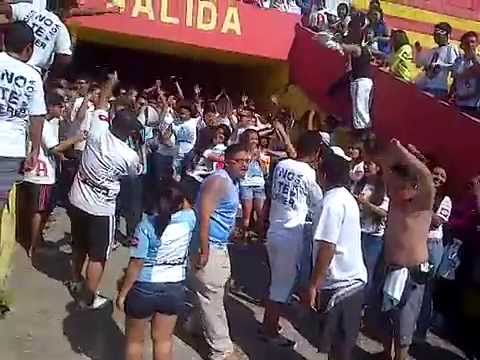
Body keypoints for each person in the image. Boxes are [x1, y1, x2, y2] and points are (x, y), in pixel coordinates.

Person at [67, 72, 142, 310]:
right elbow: (135, 173)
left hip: (77, 197)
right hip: (101, 208)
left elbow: (101, 103)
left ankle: (74, 279)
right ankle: (87, 298)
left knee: (79, 244)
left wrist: (110, 81)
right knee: (98, 255)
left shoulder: (98, 128)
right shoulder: (128, 155)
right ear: (129, 133)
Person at [116, 180, 196, 360]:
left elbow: (137, 264)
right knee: (163, 341)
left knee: (135, 342)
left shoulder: (146, 226)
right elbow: (188, 206)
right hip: (174, 288)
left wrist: (123, 294)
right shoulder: (190, 219)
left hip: (145, 287)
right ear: (181, 201)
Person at [304, 146, 367, 360]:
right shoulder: (346, 198)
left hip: (342, 283)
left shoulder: (330, 203)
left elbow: (327, 247)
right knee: (339, 347)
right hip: (351, 280)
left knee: (339, 347)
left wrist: (313, 285)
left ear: (322, 175)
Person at [261, 132, 324, 347]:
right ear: (317, 153)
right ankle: (269, 330)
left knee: (276, 281)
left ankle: (270, 323)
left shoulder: (282, 165)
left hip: (274, 229)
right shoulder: (308, 173)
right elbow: (318, 202)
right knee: (280, 286)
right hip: (290, 235)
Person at [189, 143, 249, 360]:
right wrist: (204, 250)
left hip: (220, 245)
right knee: (212, 296)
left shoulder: (232, 182)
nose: (245, 165)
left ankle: (195, 326)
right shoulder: (218, 181)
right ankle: (221, 350)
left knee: (209, 292)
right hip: (210, 246)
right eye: (240, 161)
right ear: (228, 161)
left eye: (247, 161)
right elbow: (203, 215)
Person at [377, 139, 435, 360]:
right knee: (384, 317)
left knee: (403, 326)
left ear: (413, 186)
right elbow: (384, 166)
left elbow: (426, 176)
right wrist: (394, 156)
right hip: (390, 266)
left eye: (399, 185)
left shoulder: (422, 202)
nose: (392, 188)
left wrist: (403, 151)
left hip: (412, 273)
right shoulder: (395, 198)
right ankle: (385, 354)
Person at [22, 93, 86, 258]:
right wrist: (76, 139)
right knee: (40, 211)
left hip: (37, 172)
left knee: (39, 210)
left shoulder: (43, 122)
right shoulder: (43, 124)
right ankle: (34, 246)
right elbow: (54, 148)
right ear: (50, 107)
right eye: (59, 106)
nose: (62, 109)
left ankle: (35, 241)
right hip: (41, 175)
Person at [0, 22, 46, 210]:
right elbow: (37, 116)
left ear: (4, 42)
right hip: (11, 151)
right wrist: (34, 150)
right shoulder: (32, 76)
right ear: (29, 49)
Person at [415, 165, 451, 341]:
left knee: (426, 289)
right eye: (435, 173)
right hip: (417, 241)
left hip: (432, 245)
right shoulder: (421, 190)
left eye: (441, 176)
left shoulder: (446, 200)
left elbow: (436, 221)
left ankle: (420, 331)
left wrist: (421, 208)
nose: (437, 177)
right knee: (414, 286)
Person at [0, 1, 73, 75]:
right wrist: (53, 76)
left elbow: (4, 8)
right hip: (32, 70)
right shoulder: (61, 28)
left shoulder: (28, 9)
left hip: (8, 60)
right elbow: (65, 58)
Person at [353, 159, 389, 304]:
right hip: (357, 231)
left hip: (373, 237)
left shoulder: (382, 189)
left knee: (367, 271)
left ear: (378, 167)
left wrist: (366, 204)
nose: (366, 166)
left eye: (371, 164)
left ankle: (362, 305)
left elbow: (383, 212)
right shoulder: (360, 184)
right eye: (366, 163)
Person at [340, 14, 374, 135]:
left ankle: (361, 135)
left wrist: (343, 33)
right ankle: (363, 134)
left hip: (360, 81)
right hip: (367, 81)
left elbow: (342, 46)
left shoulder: (358, 48)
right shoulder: (367, 48)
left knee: (359, 110)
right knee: (364, 110)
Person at [183, 124, 230, 205]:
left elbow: (219, 158)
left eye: (221, 134)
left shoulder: (223, 149)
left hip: (207, 182)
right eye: (216, 132)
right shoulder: (207, 146)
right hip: (194, 178)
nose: (217, 135)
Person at [415, 22, 459, 98]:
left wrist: (440, 66)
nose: (435, 37)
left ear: (447, 35)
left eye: (438, 35)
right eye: (434, 35)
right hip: (426, 85)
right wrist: (419, 52)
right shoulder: (433, 50)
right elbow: (420, 64)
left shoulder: (451, 49)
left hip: (438, 88)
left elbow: (455, 67)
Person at [238, 129, 266, 241]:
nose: (255, 141)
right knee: (247, 213)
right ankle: (244, 235)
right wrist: (251, 158)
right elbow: (242, 168)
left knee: (260, 213)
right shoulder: (242, 153)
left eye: (256, 138)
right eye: (252, 138)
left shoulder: (261, 152)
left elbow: (265, 172)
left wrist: (260, 160)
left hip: (259, 184)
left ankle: (260, 236)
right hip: (246, 184)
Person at [449, 31, 480, 117]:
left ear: (477, 44)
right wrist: (450, 95)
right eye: (467, 43)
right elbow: (455, 80)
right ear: (462, 45)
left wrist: (474, 57)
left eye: (473, 42)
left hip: (475, 106)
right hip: (459, 103)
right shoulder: (458, 61)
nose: (470, 45)